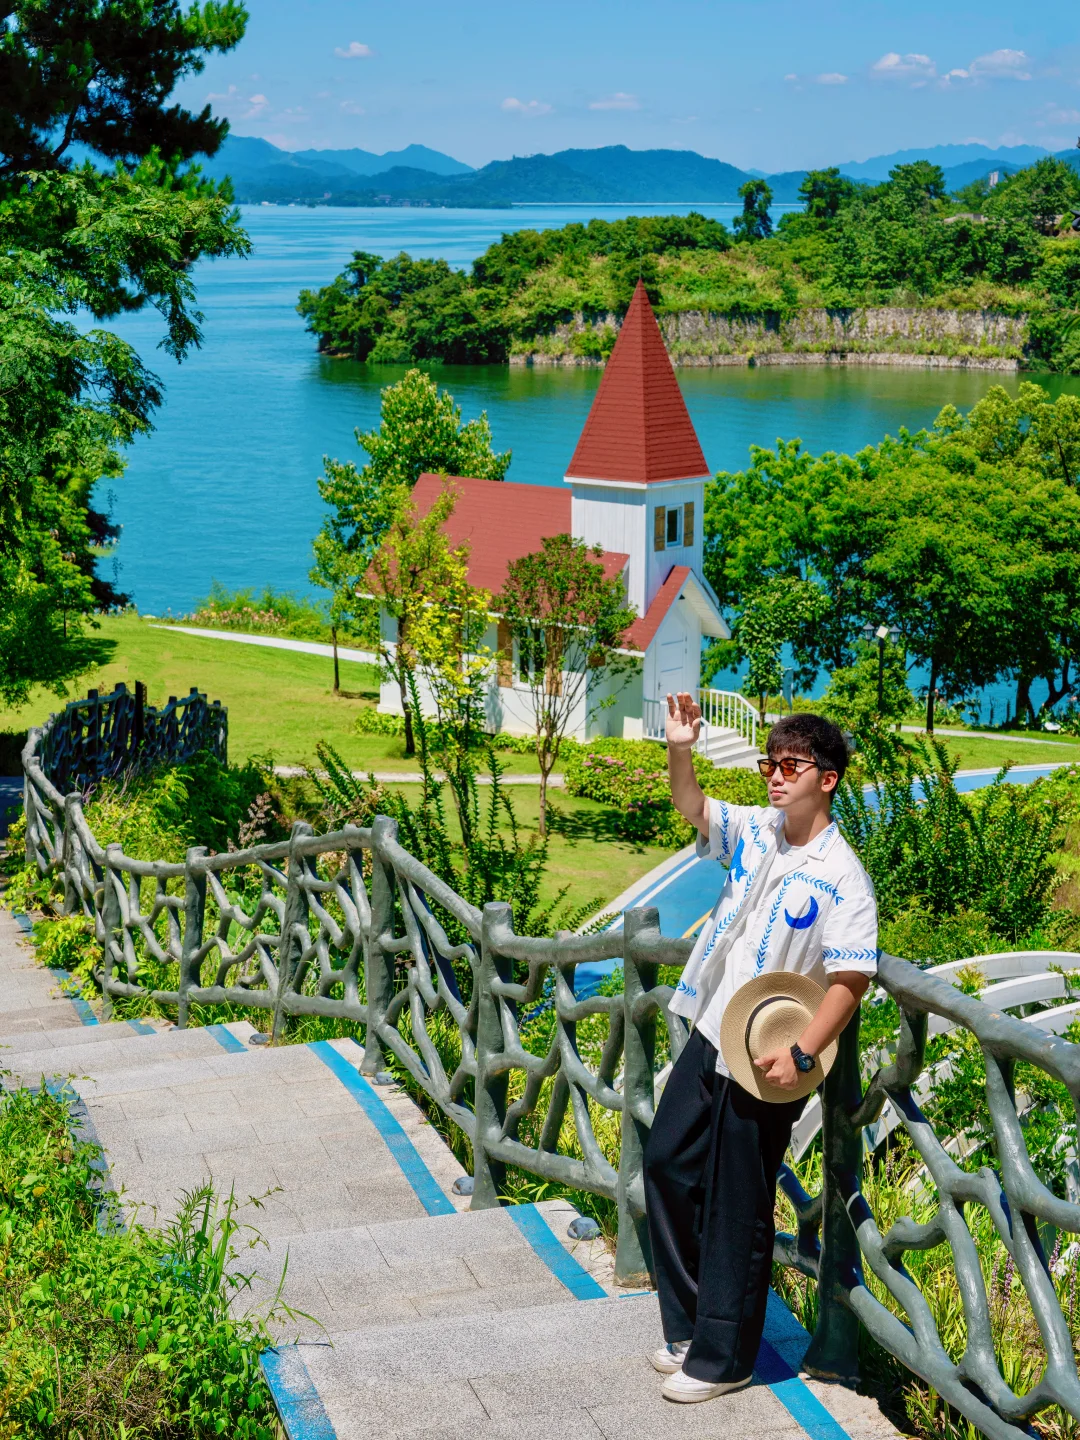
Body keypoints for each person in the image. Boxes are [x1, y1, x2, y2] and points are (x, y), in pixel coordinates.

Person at [644, 694, 878, 1404]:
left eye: (791, 765)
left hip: (771, 1052)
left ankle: (724, 1359)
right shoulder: (758, 830)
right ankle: (688, 1327)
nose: (775, 776)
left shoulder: (843, 875)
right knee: (667, 1163)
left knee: (741, 1204)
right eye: (769, 763)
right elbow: (693, 804)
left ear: (827, 778)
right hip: (718, 1026)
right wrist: (679, 747)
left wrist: (804, 1053)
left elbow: (852, 975)